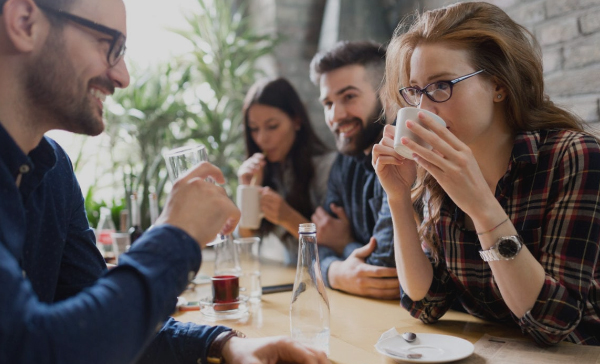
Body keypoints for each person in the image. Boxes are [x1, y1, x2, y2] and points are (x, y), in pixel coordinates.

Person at [0, 0, 341, 364]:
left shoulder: (55, 171)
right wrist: (175, 235)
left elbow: (106, 322)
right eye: (108, 44)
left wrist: (225, 345)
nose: (122, 76)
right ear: (24, 22)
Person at [372, 1, 600, 345]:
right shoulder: (441, 173)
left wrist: (482, 208)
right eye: (415, 91)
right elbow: (425, 302)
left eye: (441, 85)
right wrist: (399, 197)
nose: (423, 109)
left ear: (499, 85)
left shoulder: (573, 158)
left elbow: (553, 323)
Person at [309, 41, 399, 300]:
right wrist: (335, 272)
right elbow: (317, 246)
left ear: (387, 94)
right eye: (328, 103)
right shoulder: (344, 161)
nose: (335, 115)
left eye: (349, 97)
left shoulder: (402, 156)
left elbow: (384, 271)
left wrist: (342, 245)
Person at [237, 77, 336, 264]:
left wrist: (288, 217)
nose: (261, 139)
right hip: (286, 278)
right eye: (253, 129)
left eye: (272, 126)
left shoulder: (327, 168)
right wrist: (247, 190)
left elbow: (337, 247)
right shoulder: (266, 171)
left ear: (296, 121)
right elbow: (245, 243)